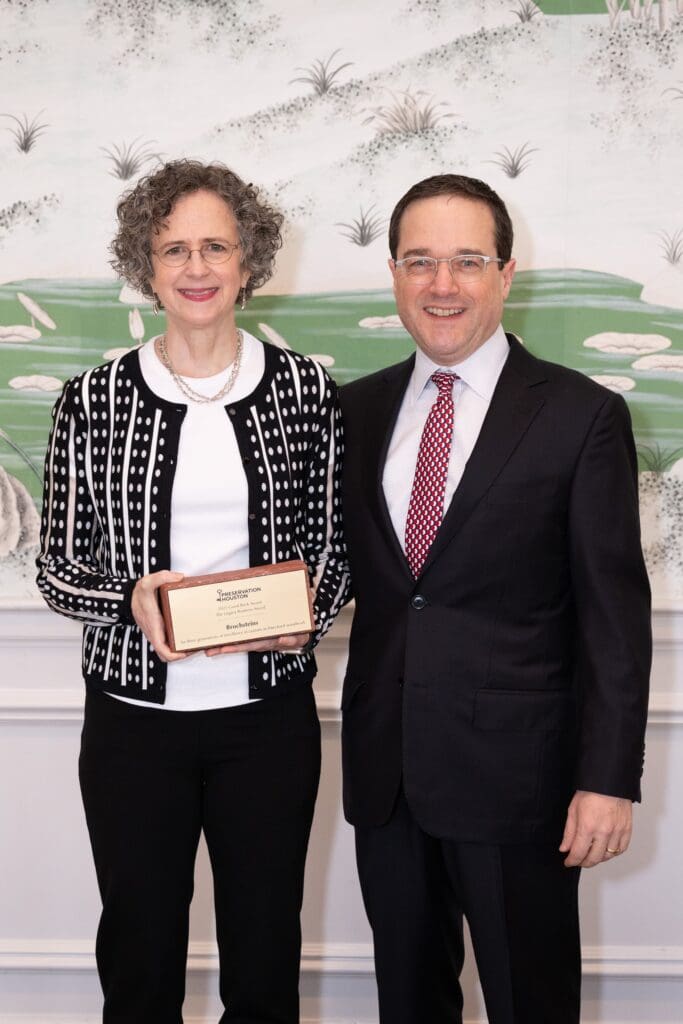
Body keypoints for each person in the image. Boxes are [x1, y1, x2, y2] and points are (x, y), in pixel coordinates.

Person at [36, 158, 349, 1024]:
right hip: (134, 726)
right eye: (174, 249)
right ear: (147, 265)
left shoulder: (304, 391)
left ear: (250, 260)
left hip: (267, 724)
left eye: (217, 246)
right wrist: (130, 599)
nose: (197, 268)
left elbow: (336, 549)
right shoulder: (92, 400)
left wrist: (306, 622)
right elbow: (58, 567)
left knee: (263, 963)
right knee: (138, 964)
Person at [338, 174, 651, 1024]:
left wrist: (607, 777)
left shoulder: (580, 416)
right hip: (386, 776)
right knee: (407, 1003)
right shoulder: (352, 412)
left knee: (530, 1003)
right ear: (395, 276)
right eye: (420, 262)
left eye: (467, 261)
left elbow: (612, 617)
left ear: (506, 275)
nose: (443, 285)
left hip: (522, 782)